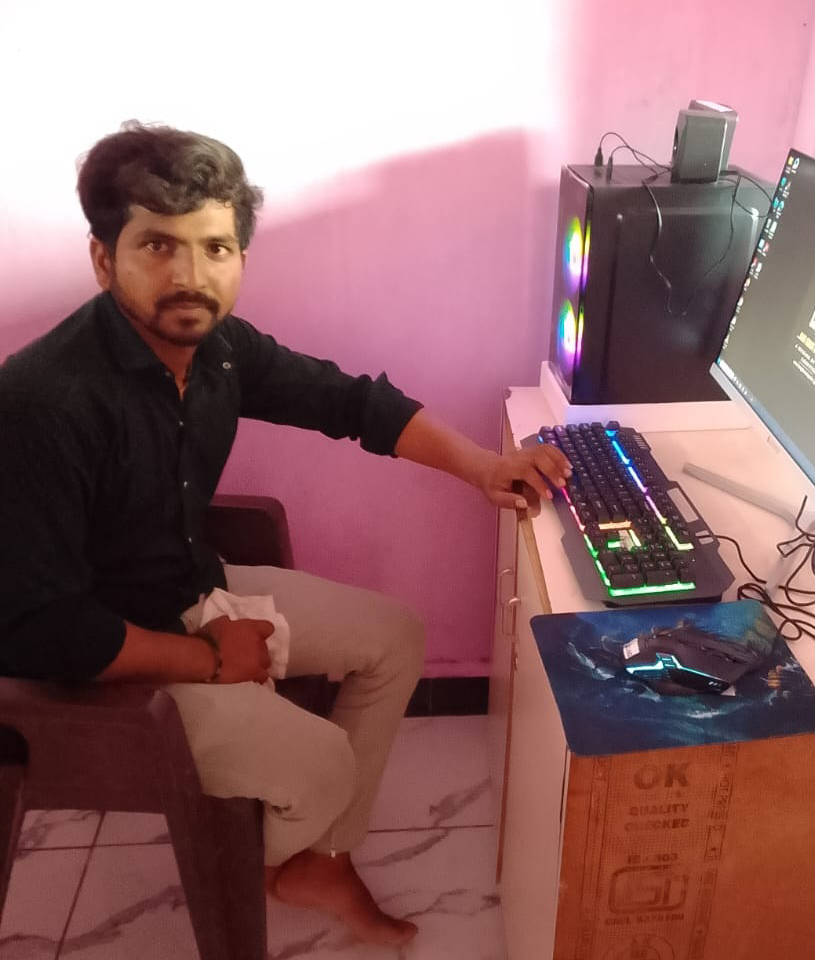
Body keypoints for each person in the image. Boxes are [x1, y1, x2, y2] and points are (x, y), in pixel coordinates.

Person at [0, 121, 570, 947]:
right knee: (323, 765)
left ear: (239, 257)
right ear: (103, 258)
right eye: (158, 246)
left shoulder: (219, 351)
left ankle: (319, 861)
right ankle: (246, 859)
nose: (189, 276)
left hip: (187, 586)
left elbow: (350, 403)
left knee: (394, 636)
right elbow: (45, 628)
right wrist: (208, 659)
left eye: (214, 248)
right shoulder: (43, 403)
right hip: (98, 668)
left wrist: (484, 466)